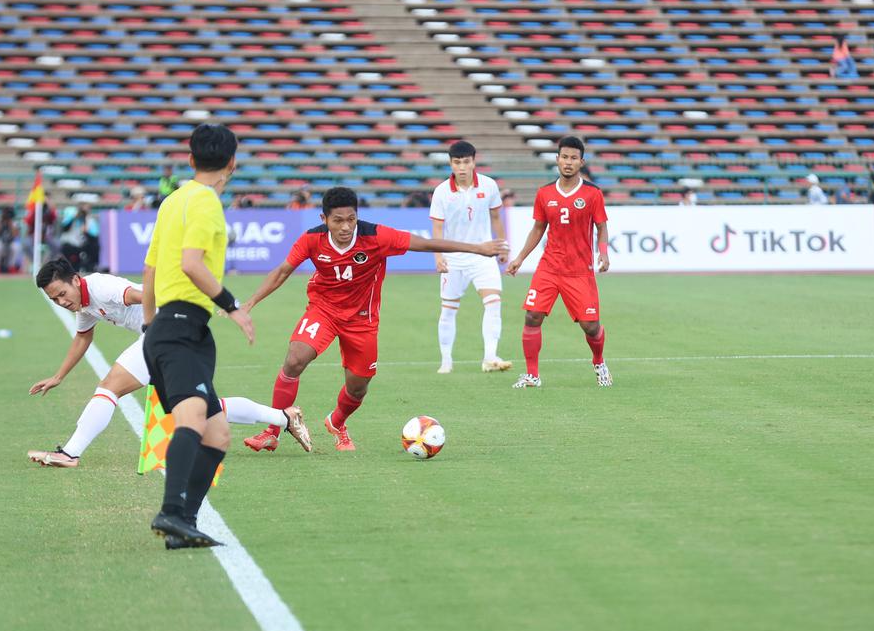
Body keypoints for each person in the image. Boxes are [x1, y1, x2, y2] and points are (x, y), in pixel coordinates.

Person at [241, 187, 509, 453]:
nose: (346, 226)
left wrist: (477, 248)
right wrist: (251, 302)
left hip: (362, 320)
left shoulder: (377, 236)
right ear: (324, 219)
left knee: (357, 388)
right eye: (338, 220)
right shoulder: (312, 240)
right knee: (294, 359)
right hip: (323, 310)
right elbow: (282, 271)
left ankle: (337, 423)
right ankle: (271, 431)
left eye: (351, 219)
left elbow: (426, 244)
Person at [27, 258, 310, 468]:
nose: (61, 302)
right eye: (55, 300)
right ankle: (284, 417)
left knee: (109, 386)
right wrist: (59, 376)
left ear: (75, 279)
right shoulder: (84, 303)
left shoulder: (102, 287)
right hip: (175, 335)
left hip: (168, 330)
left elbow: (143, 295)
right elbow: (82, 338)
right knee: (197, 406)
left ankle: (71, 453)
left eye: (62, 294)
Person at [141, 123, 251, 548]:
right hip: (183, 328)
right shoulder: (206, 202)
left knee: (217, 433)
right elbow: (191, 264)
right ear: (232, 162)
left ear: (190, 160)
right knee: (191, 421)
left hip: (170, 328)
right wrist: (233, 306)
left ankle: (183, 523)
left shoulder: (173, 200)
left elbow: (151, 269)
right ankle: (170, 513)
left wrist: (150, 325)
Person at [505, 136, 611, 389]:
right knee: (532, 316)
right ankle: (532, 375)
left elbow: (601, 226)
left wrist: (603, 252)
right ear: (557, 159)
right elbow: (538, 228)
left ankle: (599, 362)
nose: (568, 162)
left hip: (579, 271)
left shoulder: (592, 194)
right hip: (549, 268)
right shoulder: (544, 193)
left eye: (574, 158)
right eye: (564, 157)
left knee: (591, 326)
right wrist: (519, 258)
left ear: (581, 162)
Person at [430, 140, 512, 374]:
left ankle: (490, 357)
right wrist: (438, 255)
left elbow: (496, 217)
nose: (462, 167)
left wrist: (502, 246)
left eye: (466, 162)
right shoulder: (441, 192)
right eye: (457, 163)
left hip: (483, 254)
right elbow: (437, 228)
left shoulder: (489, 185)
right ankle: (446, 361)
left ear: (474, 162)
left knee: (494, 303)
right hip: (453, 258)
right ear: (451, 164)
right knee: (448, 310)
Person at [59, 202, 98, 272]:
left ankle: (89, 267)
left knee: (92, 247)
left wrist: (86, 224)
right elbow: (64, 228)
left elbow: (94, 235)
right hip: (69, 244)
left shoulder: (89, 220)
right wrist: (74, 217)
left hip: (81, 245)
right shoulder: (71, 218)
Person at [0, 206, 24, 273]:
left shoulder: (13, 222)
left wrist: (10, 224)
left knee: (16, 246)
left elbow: (16, 235)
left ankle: (11, 267)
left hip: (8, 244)